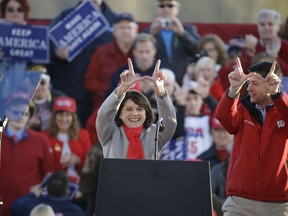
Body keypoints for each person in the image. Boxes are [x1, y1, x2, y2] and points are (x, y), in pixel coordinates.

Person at [214, 57, 288, 216]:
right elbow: (222, 116)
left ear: (271, 85)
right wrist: (233, 90)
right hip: (240, 202)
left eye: (254, 83)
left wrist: (278, 95)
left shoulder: (284, 110)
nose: (248, 89)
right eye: (248, 84)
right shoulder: (242, 110)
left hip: (278, 204)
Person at [47, 0, 117, 127]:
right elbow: (46, 46)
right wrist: (56, 53)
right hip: (69, 91)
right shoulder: (65, 16)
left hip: (101, 95)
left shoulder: (114, 20)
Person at [96, 58, 177, 159]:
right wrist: (123, 88)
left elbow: (170, 122)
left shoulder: (154, 133)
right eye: (129, 109)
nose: (135, 113)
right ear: (120, 114)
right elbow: (103, 116)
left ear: (146, 112)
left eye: (140, 109)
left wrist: (160, 91)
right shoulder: (110, 132)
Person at [0, 92, 54, 216]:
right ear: (7, 113)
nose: (19, 117)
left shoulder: (40, 140)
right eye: (15, 112)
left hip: (28, 208)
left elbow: (49, 172)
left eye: (24, 114)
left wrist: (40, 188)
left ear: (29, 116)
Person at [84, 12, 138, 110]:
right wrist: (112, 90)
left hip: (136, 106)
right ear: (114, 32)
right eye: (122, 28)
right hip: (106, 106)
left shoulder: (141, 53)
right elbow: (90, 81)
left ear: (136, 31)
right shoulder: (100, 52)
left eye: (129, 28)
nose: (125, 31)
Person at [147, 0, 200, 84]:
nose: (166, 9)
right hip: (157, 80)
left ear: (177, 9)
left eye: (170, 6)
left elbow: (198, 49)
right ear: (156, 9)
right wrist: (151, 34)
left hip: (183, 80)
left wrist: (182, 33)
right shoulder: (149, 30)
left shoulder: (188, 30)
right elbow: (139, 50)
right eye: (162, 6)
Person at [42, 96, 91, 183]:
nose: (63, 119)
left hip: (77, 185)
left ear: (73, 118)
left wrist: (77, 161)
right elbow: (42, 167)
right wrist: (61, 164)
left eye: (67, 115)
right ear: (54, 117)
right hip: (52, 185)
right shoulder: (44, 136)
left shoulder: (84, 135)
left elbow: (90, 164)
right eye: (60, 115)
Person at [10, 171, 85, 216]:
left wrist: (33, 193)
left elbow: (15, 206)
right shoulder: (76, 212)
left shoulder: (31, 207)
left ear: (47, 188)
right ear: (67, 191)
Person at [241, 9, 288, 75]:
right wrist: (249, 54)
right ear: (258, 27)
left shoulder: (285, 46)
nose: (266, 28)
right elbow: (243, 74)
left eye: (270, 24)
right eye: (262, 24)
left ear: (278, 27)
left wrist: (274, 57)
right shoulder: (251, 46)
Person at [28, 65, 65, 131]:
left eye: (42, 83)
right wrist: (28, 125)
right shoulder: (21, 99)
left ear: (49, 84)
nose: (38, 87)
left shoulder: (60, 98)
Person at [0, 0, 30, 77]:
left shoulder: (33, 35)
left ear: (24, 13)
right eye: (10, 9)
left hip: (23, 84)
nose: (15, 13)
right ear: (4, 13)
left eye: (20, 9)